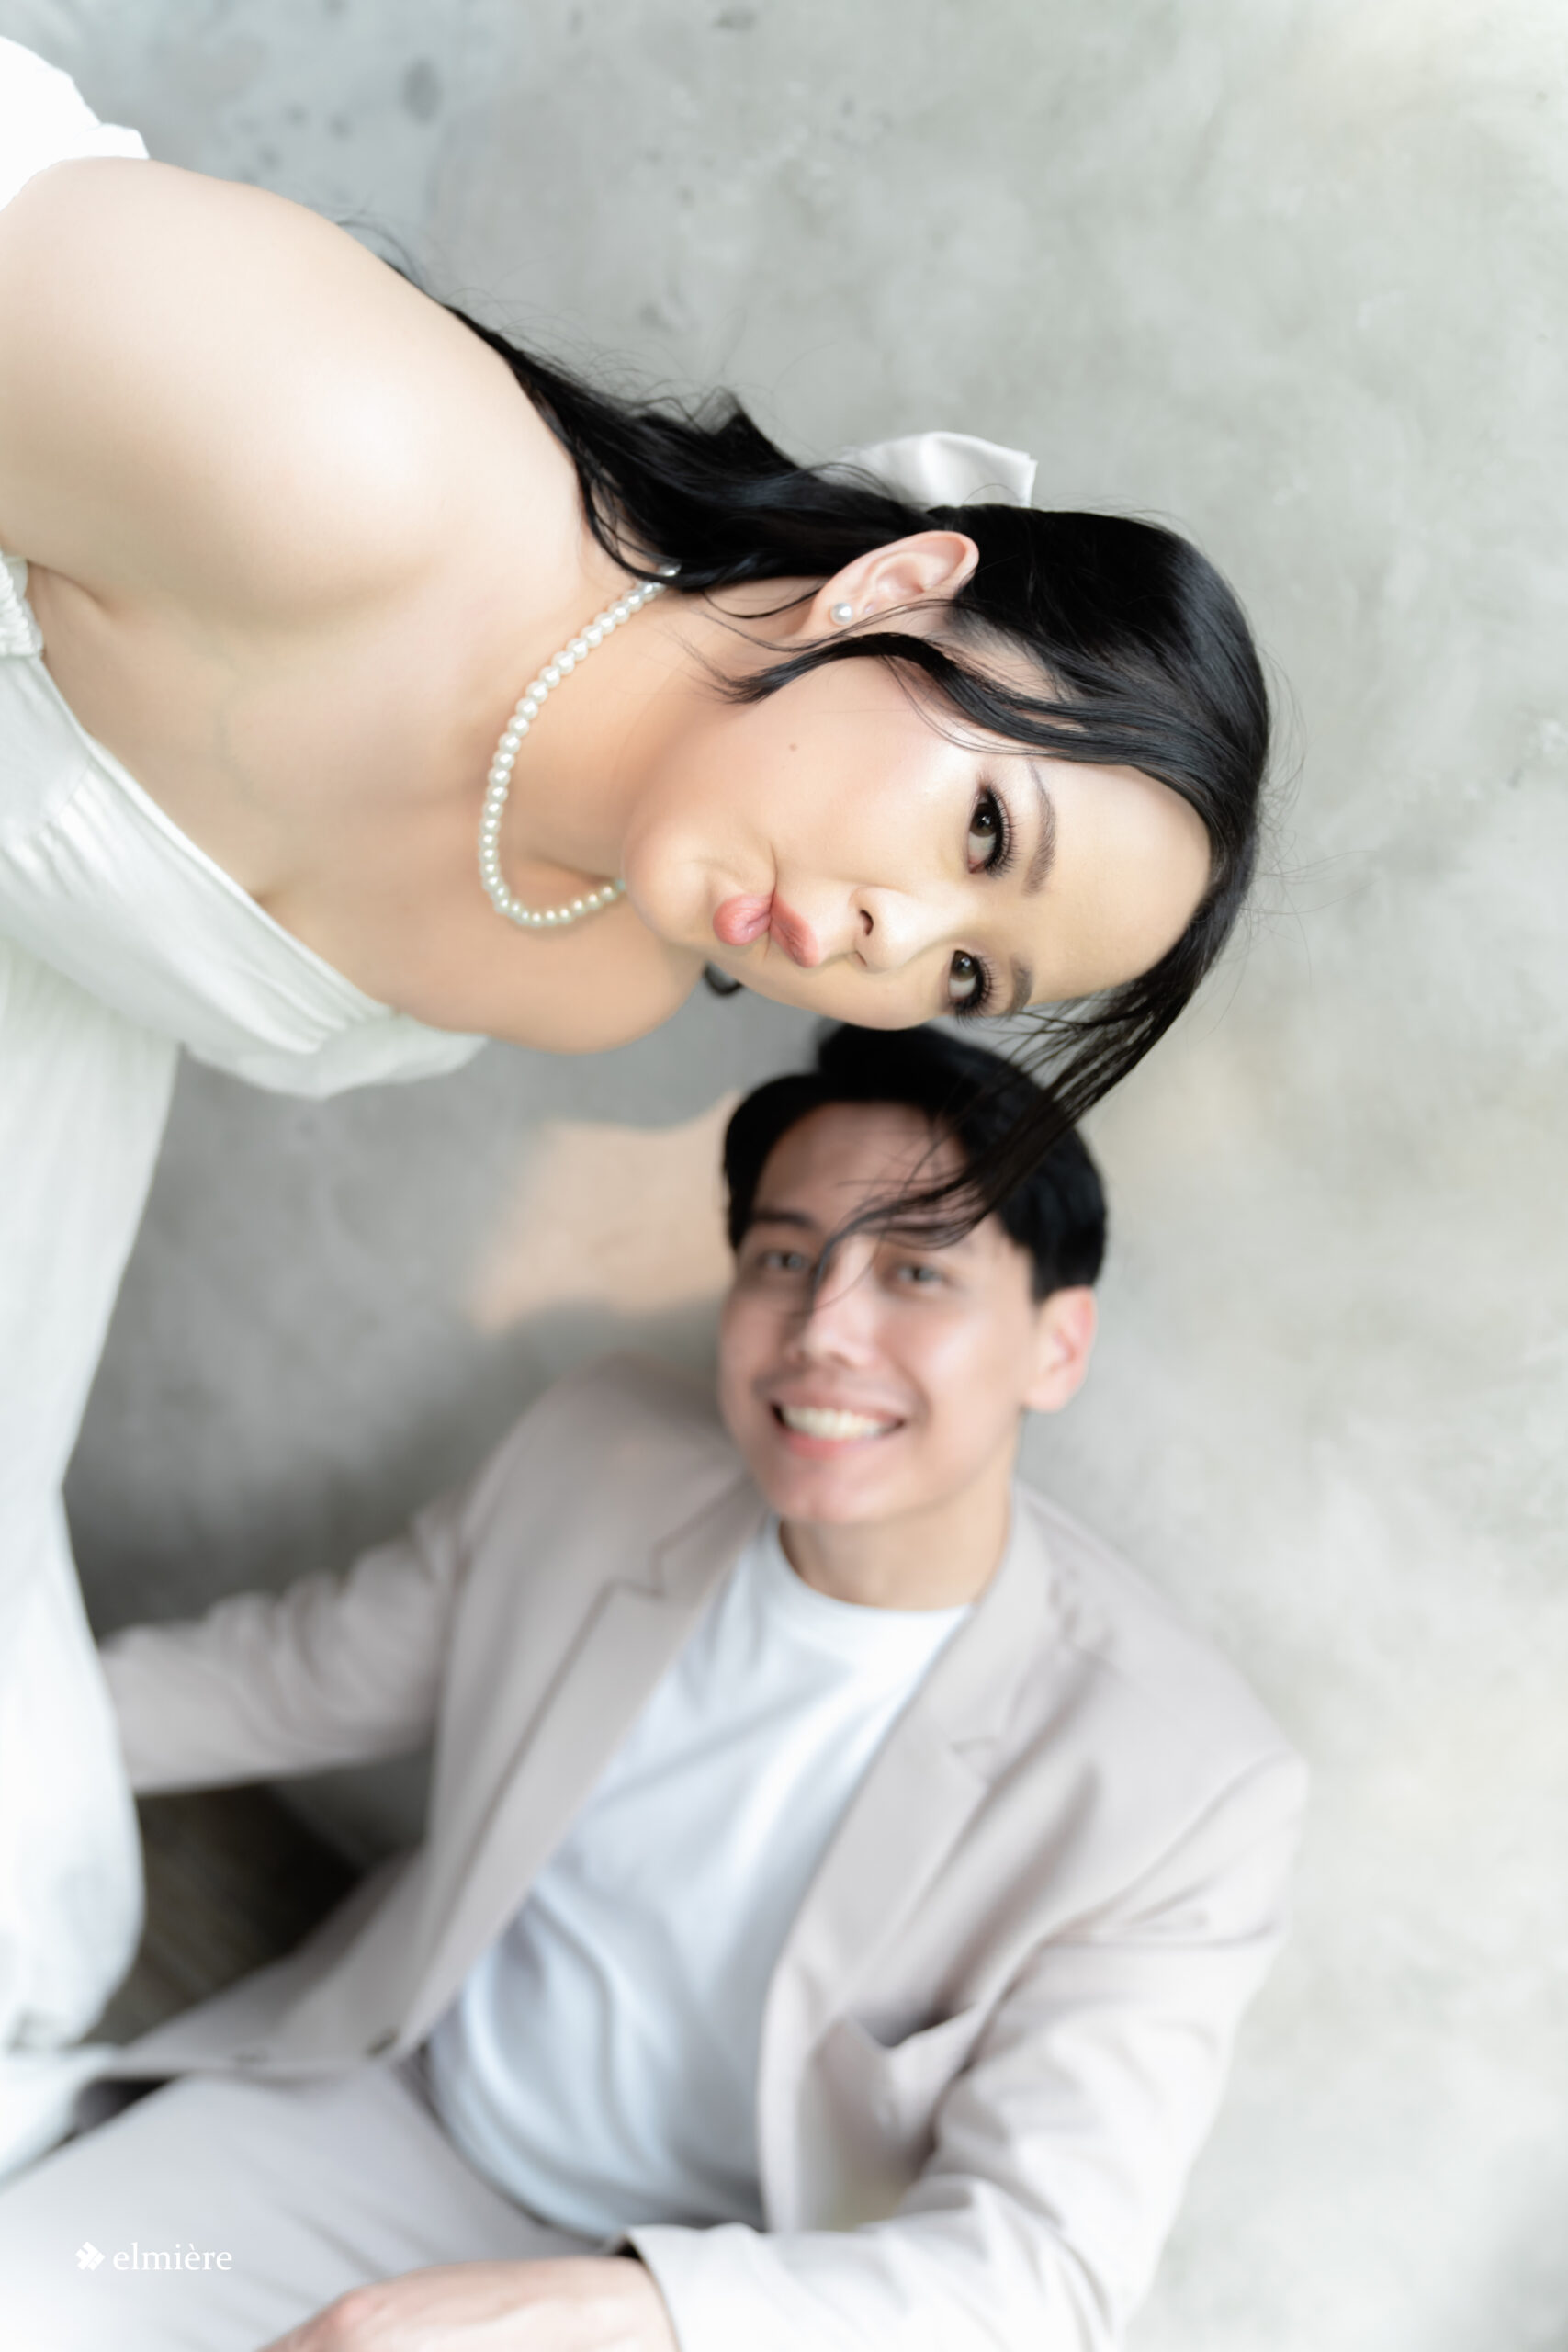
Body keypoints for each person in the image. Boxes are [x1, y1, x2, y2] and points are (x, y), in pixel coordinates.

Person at [0, 38, 1272, 2138]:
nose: (885, 942)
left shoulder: (590, 964)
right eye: (977, 831)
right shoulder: (340, 459)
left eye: (970, 972)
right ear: (898, 583)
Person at [0, 1024, 1308, 2351]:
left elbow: (1041, 2274)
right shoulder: (605, 1453)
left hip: (712, 2300)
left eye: (918, 1271)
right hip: (365, 2133)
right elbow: (288, 1679)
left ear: (1056, 1348)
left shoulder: (1184, 1787)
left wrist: (605, 2306)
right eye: (785, 1258)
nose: (826, 1329)